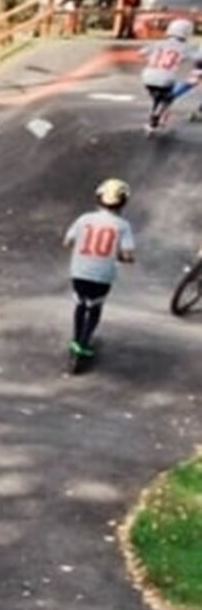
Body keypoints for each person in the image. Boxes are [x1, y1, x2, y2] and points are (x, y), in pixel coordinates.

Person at [62, 178, 135, 363]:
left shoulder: (84, 219)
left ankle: (76, 339)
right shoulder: (123, 226)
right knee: (95, 307)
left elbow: (67, 242)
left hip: (79, 273)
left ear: (98, 198)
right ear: (124, 202)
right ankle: (84, 343)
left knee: (80, 303)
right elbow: (127, 255)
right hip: (102, 277)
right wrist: (121, 257)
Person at [141, 18, 198, 133]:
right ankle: (155, 118)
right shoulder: (185, 47)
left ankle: (159, 114)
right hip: (166, 79)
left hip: (147, 76)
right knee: (168, 96)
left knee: (158, 97)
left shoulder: (158, 43)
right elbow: (196, 58)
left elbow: (142, 53)